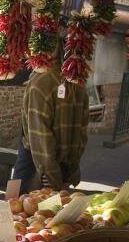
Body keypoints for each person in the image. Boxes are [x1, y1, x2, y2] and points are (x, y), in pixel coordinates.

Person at [12, 63, 90, 191]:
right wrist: (71, 168)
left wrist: (51, 173)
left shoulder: (41, 82)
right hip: (63, 164)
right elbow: (82, 133)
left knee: (18, 206)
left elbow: (40, 136)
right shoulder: (77, 81)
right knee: (55, 209)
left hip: (38, 166)